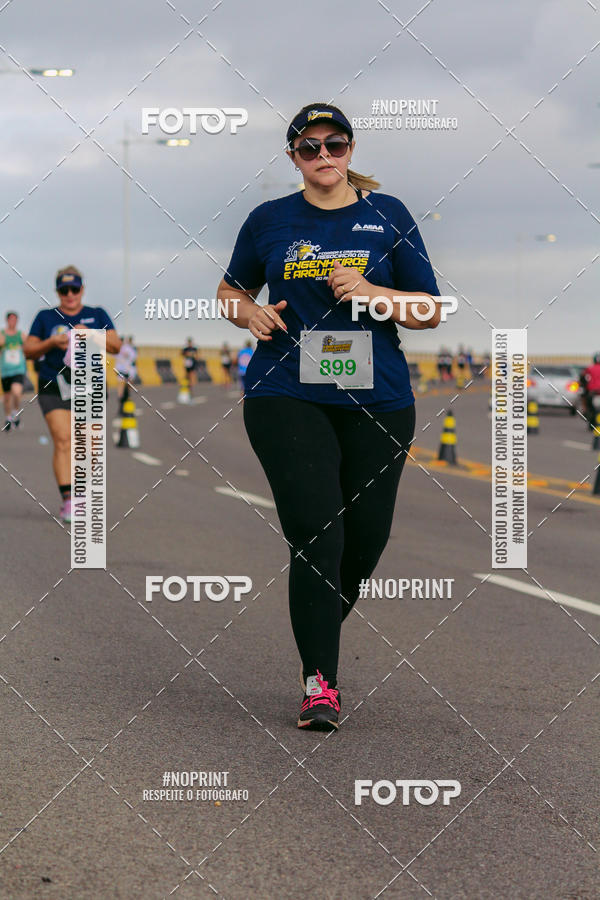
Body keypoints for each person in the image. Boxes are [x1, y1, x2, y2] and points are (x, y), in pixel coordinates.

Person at [217, 102, 442, 731]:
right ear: (292, 156)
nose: (323, 157)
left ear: (350, 150)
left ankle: (315, 634)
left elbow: (432, 310)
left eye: (334, 145)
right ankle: (321, 681)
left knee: (364, 543)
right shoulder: (269, 220)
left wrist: (379, 295)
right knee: (319, 533)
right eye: (308, 147)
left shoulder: (387, 215)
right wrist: (248, 314)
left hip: (380, 398)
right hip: (285, 389)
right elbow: (230, 291)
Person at [24, 266, 121, 522]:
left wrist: (90, 335)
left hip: (90, 387)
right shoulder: (45, 317)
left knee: (88, 447)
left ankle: (81, 493)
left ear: (82, 290)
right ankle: (69, 501)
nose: (69, 294)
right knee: (64, 439)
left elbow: (116, 346)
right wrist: (52, 343)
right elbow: (29, 350)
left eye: (74, 289)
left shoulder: (96, 314)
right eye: (64, 290)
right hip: (53, 386)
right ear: (57, 291)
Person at [0, 311, 28, 431]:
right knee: (6, 397)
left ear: (17, 321)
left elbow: (29, 347)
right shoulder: (2, 335)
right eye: (10, 319)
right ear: (7, 320)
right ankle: (8, 418)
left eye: (15, 319)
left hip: (18, 369)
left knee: (16, 392)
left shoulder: (21, 335)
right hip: (6, 370)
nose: (13, 322)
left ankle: (15, 412)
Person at [114, 335, 137, 405]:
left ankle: (125, 397)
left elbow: (133, 357)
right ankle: (121, 398)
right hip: (121, 369)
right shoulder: (119, 348)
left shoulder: (127, 348)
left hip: (126, 369)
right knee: (121, 384)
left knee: (127, 385)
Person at [580, 352, 600, 428]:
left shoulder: (590, 368)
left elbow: (582, 376)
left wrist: (583, 384)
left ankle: (585, 412)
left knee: (587, 404)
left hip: (592, 391)